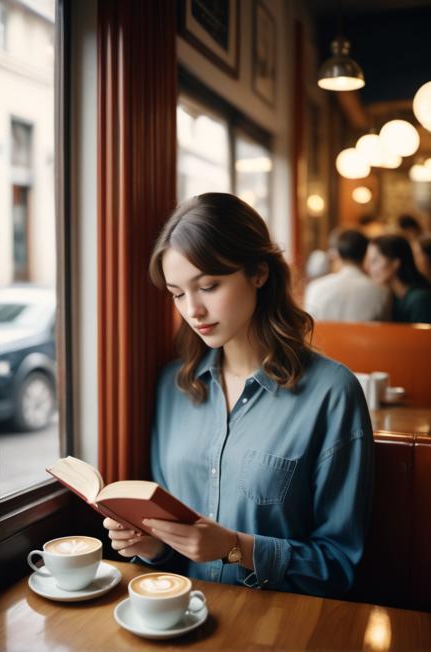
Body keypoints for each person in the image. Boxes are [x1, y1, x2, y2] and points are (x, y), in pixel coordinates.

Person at [104, 193, 374, 597]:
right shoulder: (173, 386)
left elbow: (339, 565)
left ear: (259, 273)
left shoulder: (332, 393)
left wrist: (236, 548)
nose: (192, 309)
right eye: (177, 293)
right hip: (183, 617)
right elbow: (180, 550)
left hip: (280, 627)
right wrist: (155, 547)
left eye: (208, 286)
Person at [304, 229, 391, 321]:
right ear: (366, 254)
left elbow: (309, 327)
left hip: (326, 335)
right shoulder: (382, 291)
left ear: (337, 254)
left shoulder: (315, 288)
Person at [365, 234, 431, 324]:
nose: (369, 268)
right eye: (369, 261)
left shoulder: (419, 300)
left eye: (375, 260)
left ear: (395, 263)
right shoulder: (390, 297)